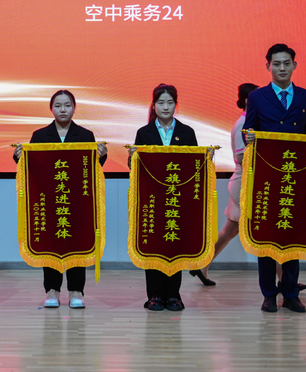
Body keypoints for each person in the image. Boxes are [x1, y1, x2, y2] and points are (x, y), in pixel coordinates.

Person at [243, 43, 306, 314]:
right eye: (276, 64)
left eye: (286, 63)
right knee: (265, 236)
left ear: (294, 65)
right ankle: (269, 294)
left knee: (293, 234)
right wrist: (248, 136)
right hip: (267, 178)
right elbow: (248, 130)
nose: (281, 68)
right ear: (268, 66)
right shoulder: (257, 97)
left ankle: (291, 293)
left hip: (295, 177)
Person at [13, 90, 108, 309]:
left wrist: (101, 156)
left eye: (67, 105)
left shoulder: (85, 135)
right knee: (50, 244)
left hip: (77, 202)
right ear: (51, 109)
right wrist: (18, 156)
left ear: (74, 108)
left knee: (77, 243)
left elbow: (91, 168)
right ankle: (52, 290)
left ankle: (76, 291)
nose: (62, 110)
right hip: (49, 201)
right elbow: (31, 167)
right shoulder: (40, 135)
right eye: (58, 106)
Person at [129, 84, 198, 312]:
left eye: (170, 102)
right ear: (154, 105)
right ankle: (155, 295)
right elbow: (135, 167)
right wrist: (131, 158)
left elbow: (194, 166)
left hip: (177, 199)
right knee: (153, 245)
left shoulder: (187, 132)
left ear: (176, 105)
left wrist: (206, 158)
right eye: (161, 103)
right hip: (152, 200)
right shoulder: (144, 133)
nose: (165, 107)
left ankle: (174, 295)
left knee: (174, 245)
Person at [189, 83, 258, 287]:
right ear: (247, 101)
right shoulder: (243, 124)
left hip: (245, 182)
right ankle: (285, 281)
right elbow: (241, 157)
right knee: (268, 232)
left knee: (230, 231)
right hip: (244, 184)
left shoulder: (251, 121)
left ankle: (201, 264)